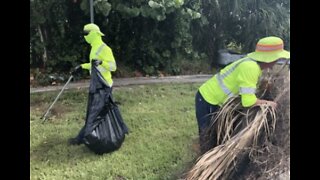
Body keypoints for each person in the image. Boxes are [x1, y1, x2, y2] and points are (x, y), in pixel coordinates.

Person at [195, 36, 290, 153]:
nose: (277, 60)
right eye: (277, 57)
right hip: (208, 99)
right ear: (270, 58)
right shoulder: (250, 68)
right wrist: (269, 103)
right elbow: (248, 102)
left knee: (215, 135)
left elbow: (246, 88)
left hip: (214, 100)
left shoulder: (253, 65)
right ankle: (204, 165)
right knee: (207, 137)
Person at [69, 23, 117, 145]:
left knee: (94, 113)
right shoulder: (94, 48)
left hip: (104, 87)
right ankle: (106, 136)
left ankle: (81, 138)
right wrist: (81, 66)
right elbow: (93, 65)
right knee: (103, 112)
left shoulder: (105, 48)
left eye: (87, 33)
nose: (85, 36)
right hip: (97, 86)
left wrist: (102, 62)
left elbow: (113, 67)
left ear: (95, 34)